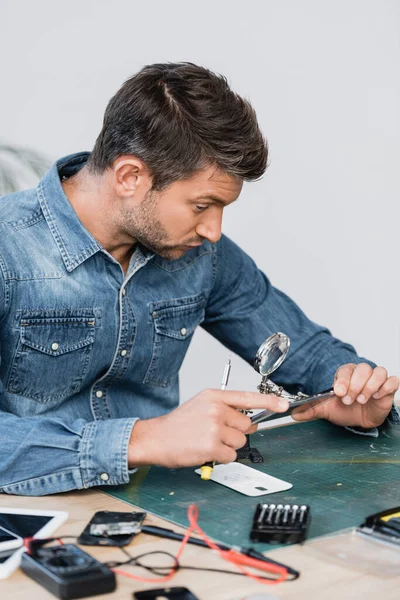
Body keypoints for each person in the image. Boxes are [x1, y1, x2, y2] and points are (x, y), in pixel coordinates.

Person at [0, 63, 398, 496]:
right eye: (202, 205)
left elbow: (305, 348)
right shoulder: (9, 249)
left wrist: (350, 391)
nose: (213, 230)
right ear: (130, 177)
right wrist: (145, 440)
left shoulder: (200, 253)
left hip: (156, 504)